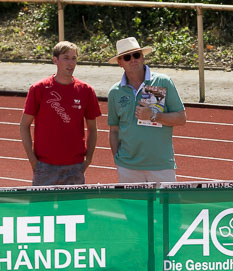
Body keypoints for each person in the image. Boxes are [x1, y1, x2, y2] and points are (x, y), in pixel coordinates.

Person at [106, 37, 187, 184]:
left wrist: (154, 115)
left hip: (161, 165)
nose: (133, 60)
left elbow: (181, 118)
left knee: (167, 207)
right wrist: (118, 159)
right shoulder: (115, 92)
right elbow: (114, 129)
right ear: (120, 63)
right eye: (127, 57)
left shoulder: (163, 82)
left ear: (142, 57)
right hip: (128, 167)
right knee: (132, 207)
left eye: (136, 55)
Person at [19, 41, 101, 186]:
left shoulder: (86, 90)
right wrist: (33, 160)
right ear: (55, 60)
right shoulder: (39, 88)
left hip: (75, 167)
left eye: (74, 58)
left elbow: (93, 128)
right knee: (43, 209)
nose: (71, 63)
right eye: (66, 58)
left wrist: (88, 159)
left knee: (75, 209)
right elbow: (24, 126)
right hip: (44, 167)